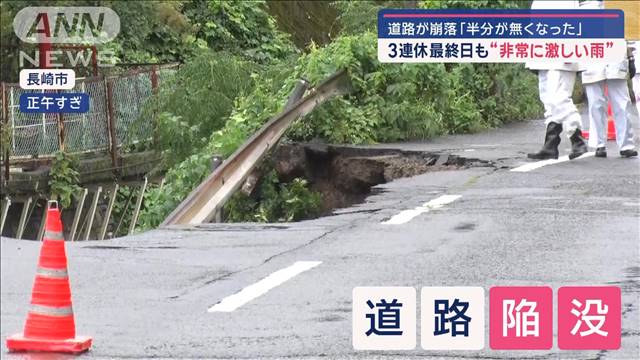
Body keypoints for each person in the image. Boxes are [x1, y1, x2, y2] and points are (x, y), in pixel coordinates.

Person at [526, 0, 588, 160]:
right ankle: (550, 145)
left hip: (561, 53)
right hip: (543, 52)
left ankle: (577, 138)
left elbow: (572, 20)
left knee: (558, 98)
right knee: (547, 99)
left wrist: (570, 48)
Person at [580, 0, 638, 158]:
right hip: (591, 56)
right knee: (595, 103)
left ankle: (626, 145)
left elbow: (628, 30)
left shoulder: (619, 5)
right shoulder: (582, 7)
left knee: (622, 102)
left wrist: (631, 57)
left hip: (615, 56)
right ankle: (599, 144)